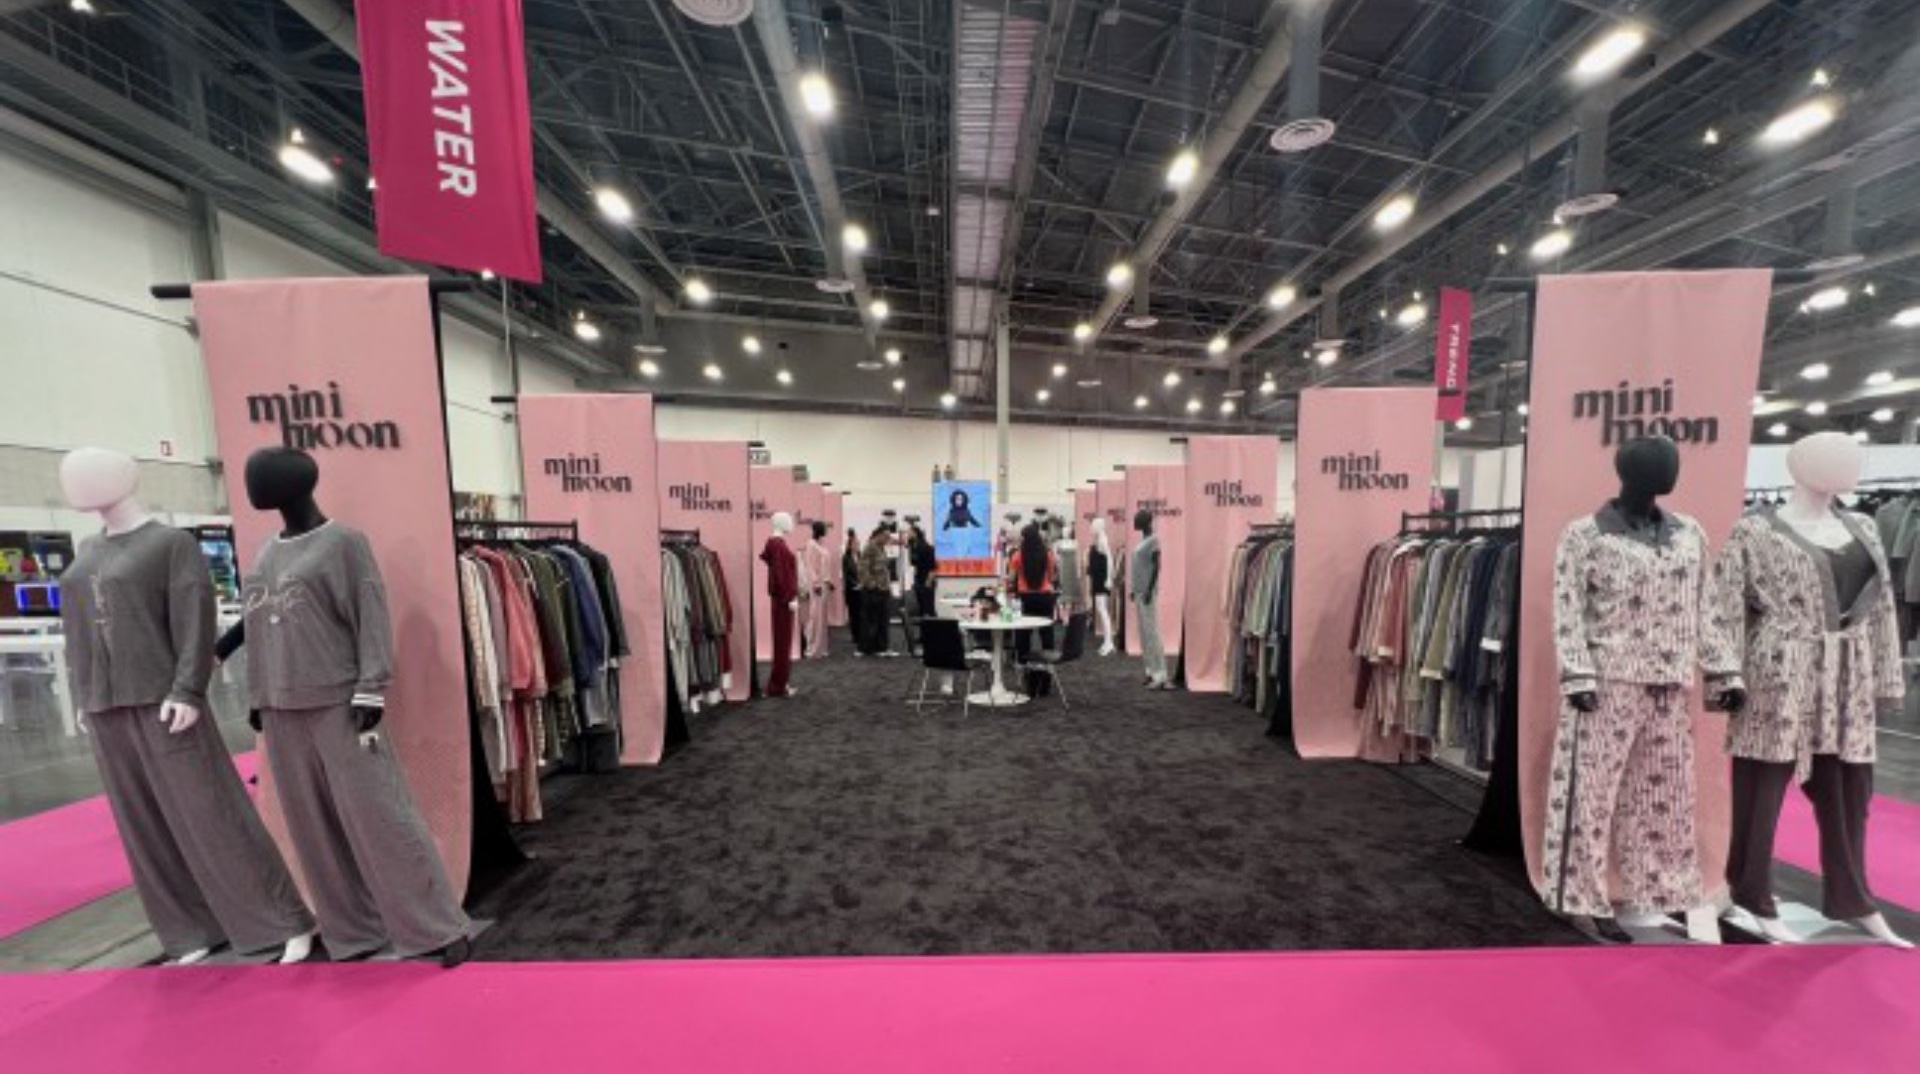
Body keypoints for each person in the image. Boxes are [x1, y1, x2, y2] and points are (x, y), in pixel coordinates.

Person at [1007, 522, 1059, 668]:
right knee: (1047, 631)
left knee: (1023, 632)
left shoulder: (1017, 556)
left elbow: (1011, 579)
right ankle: (1049, 663)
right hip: (1045, 597)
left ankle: (1021, 662)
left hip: (1025, 598)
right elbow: (1052, 577)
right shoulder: (1048, 554)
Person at [857, 526, 897, 657]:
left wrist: (887, 586)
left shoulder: (881, 548)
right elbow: (863, 569)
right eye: (886, 536)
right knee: (870, 620)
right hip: (873, 591)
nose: (888, 539)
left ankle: (881, 647)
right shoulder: (870, 547)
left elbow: (884, 569)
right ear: (878, 535)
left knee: (883, 620)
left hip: (883, 589)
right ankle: (866, 648)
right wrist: (872, 584)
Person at [907, 523, 938, 620]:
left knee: (928, 607)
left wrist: (928, 582)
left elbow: (933, 567)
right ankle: (922, 625)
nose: (908, 534)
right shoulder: (913, 547)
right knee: (920, 606)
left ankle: (932, 624)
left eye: (910, 532)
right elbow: (913, 563)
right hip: (918, 579)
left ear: (915, 533)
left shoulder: (927, 547)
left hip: (927, 579)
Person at [842, 529, 862, 647]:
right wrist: (855, 584)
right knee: (853, 614)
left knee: (861, 614)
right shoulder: (846, 558)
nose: (857, 545)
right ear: (850, 546)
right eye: (855, 544)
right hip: (851, 590)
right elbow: (847, 575)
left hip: (861, 590)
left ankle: (861, 634)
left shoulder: (860, 556)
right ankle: (855, 636)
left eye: (858, 544)